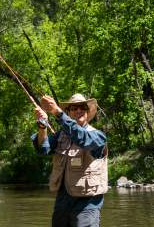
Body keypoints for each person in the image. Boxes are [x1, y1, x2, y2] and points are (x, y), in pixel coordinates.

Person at [32, 93, 108, 227]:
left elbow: (82, 138)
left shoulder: (97, 136)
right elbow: (43, 149)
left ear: (87, 111)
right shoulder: (60, 136)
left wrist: (58, 113)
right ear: (69, 112)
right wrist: (42, 127)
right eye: (74, 108)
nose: (79, 110)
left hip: (87, 203)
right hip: (62, 202)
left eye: (82, 107)